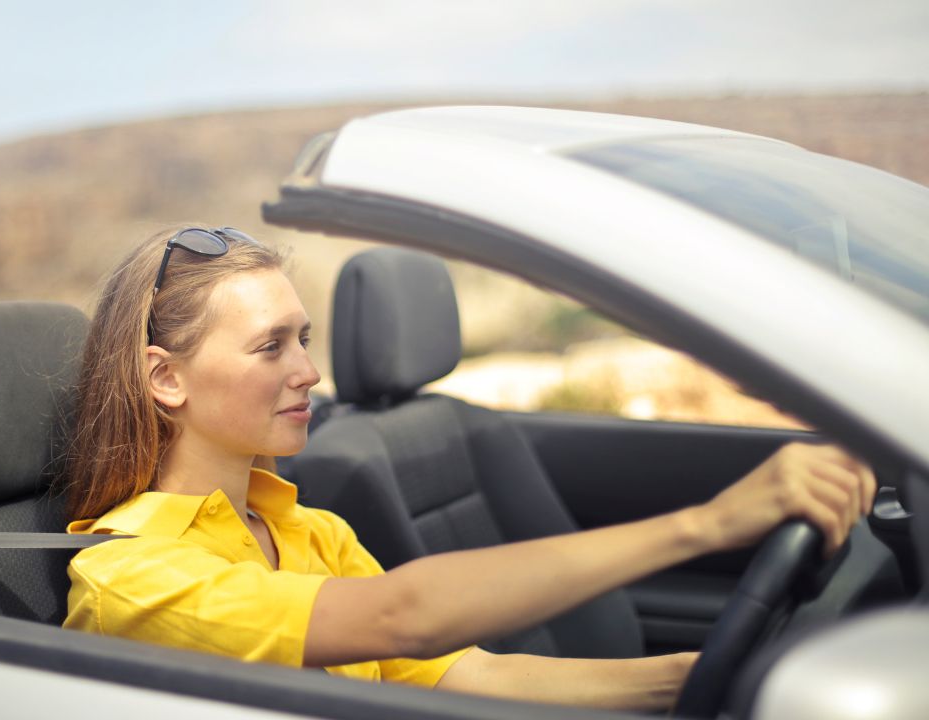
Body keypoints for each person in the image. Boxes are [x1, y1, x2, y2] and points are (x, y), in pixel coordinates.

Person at [61, 226, 876, 711]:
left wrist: (715, 676)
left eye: (304, 339)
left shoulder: (307, 530)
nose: (308, 371)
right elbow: (401, 617)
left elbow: (466, 675)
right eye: (270, 346)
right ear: (165, 377)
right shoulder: (132, 576)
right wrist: (705, 525)